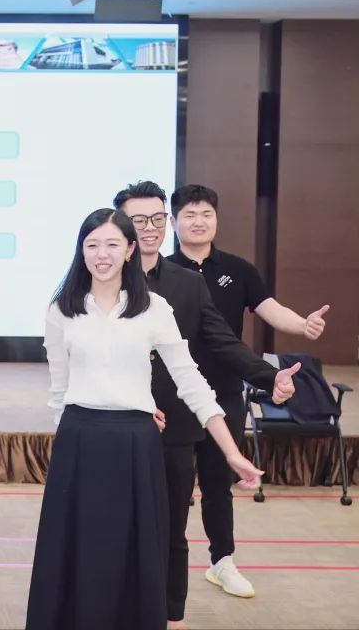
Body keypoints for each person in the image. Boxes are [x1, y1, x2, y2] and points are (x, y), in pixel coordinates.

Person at [26, 208, 264, 630]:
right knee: (78, 550)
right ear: (81, 250)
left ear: (130, 250)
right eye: (92, 245)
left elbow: (192, 383)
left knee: (133, 552)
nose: (101, 254)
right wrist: (68, 444)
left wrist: (231, 452)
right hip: (78, 442)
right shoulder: (61, 310)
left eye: (112, 244)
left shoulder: (154, 308)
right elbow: (60, 392)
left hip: (136, 443)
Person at [113, 181, 299, 630]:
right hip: (119, 423)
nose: (151, 228)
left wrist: (268, 375)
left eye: (157, 218)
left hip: (176, 424)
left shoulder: (188, 284)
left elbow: (222, 341)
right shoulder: (104, 279)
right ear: (121, 225)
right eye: (139, 220)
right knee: (115, 525)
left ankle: (169, 615)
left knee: (172, 529)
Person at [167, 183, 329, 599]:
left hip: (223, 392)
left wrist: (303, 325)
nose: (199, 221)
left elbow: (269, 308)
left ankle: (222, 561)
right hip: (174, 395)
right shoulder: (162, 271)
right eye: (190, 214)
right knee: (171, 487)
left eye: (206, 214)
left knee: (217, 483)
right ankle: (162, 563)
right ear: (174, 222)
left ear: (216, 219)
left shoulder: (237, 269)